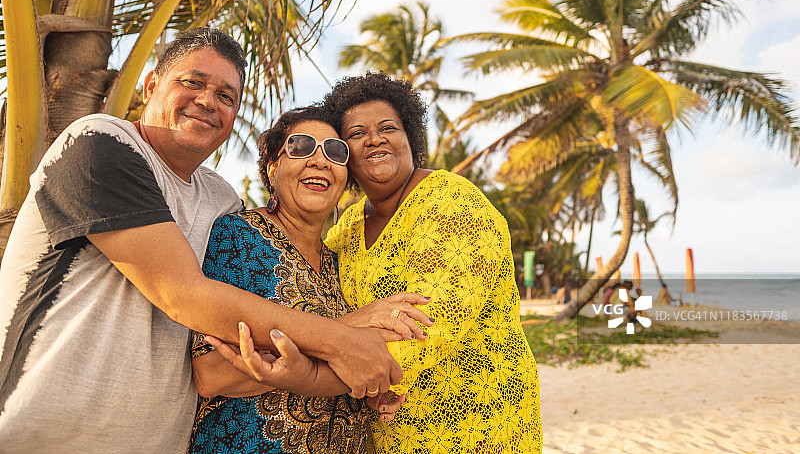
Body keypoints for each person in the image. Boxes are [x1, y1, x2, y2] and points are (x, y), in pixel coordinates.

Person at [0, 29, 400, 453]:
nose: (209, 101)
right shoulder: (100, 141)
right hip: (44, 433)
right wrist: (346, 338)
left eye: (226, 96)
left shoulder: (221, 199)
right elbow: (184, 294)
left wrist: (355, 374)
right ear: (152, 86)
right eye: (192, 82)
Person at [189, 106, 431, 453]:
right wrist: (351, 328)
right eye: (301, 146)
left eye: (336, 152)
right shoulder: (238, 236)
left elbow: (341, 366)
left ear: (346, 180)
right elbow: (210, 374)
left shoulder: (340, 262)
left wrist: (368, 391)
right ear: (272, 168)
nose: (319, 160)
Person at [322, 73, 543, 453]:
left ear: (410, 138)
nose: (374, 139)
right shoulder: (347, 227)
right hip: (390, 429)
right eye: (357, 134)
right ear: (344, 155)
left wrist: (306, 364)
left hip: (478, 425)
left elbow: (428, 328)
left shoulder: (453, 203)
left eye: (387, 127)